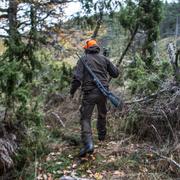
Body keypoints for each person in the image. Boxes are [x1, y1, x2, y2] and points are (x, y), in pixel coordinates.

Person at [70, 39, 119, 157]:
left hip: (89, 93)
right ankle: (102, 137)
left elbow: (77, 79)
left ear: (87, 48)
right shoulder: (104, 59)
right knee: (102, 114)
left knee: (85, 118)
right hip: (103, 92)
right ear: (97, 48)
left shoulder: (83, 59)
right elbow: (116, 74)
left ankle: (89, 144)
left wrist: (72, 92)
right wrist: (107, 62)